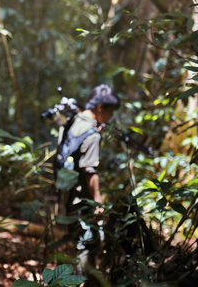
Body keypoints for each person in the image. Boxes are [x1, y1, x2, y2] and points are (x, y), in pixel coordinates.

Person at [61, 84, 120, 282]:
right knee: (87, 244)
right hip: (82, 199)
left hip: (67, 194)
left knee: (77, 241)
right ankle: (81, 282)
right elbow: (90, 171)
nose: (110, 117)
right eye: (110, 112)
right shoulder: (92, 134)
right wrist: (98, 203)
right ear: (101, 108)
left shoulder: (73, 121)